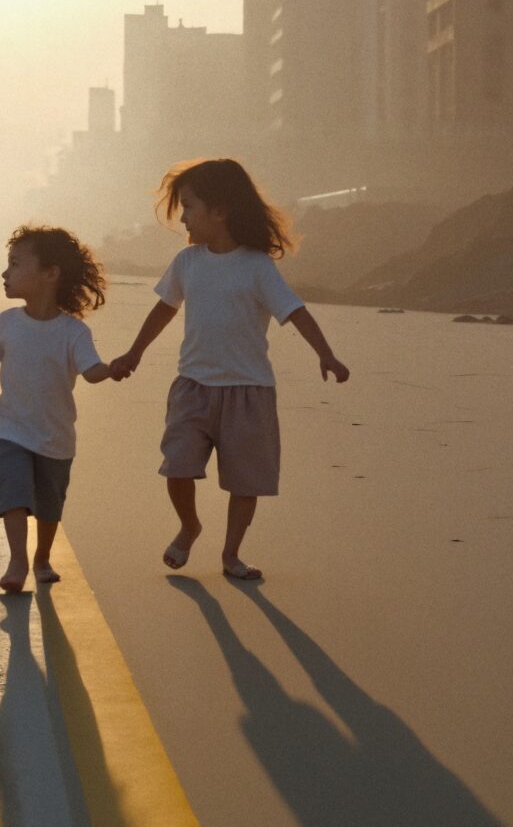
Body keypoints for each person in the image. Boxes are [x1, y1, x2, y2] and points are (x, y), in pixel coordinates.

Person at [109, 158, 348, 583]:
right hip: (193, 387)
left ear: (219, 211)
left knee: (245, 482)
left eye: (189, 206)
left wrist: (325, 354)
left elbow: (294, 311)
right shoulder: (187, 261)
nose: (183, 217)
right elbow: (164, 309)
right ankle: (189, 526)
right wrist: (134, 353)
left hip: (248, 391)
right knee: (177, 466)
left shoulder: (256, 266)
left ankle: (232, 554)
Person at [0, 226, 114, 594]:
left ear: (50, 274)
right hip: (11, 430)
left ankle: (42, 558)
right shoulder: (7, 324)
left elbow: (92, 371)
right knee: (14, 492)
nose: (6, 273)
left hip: (55, 437)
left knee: (50, 506)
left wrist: (112, 369)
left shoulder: (73, 332)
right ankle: (17, 560)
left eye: (16, 264)